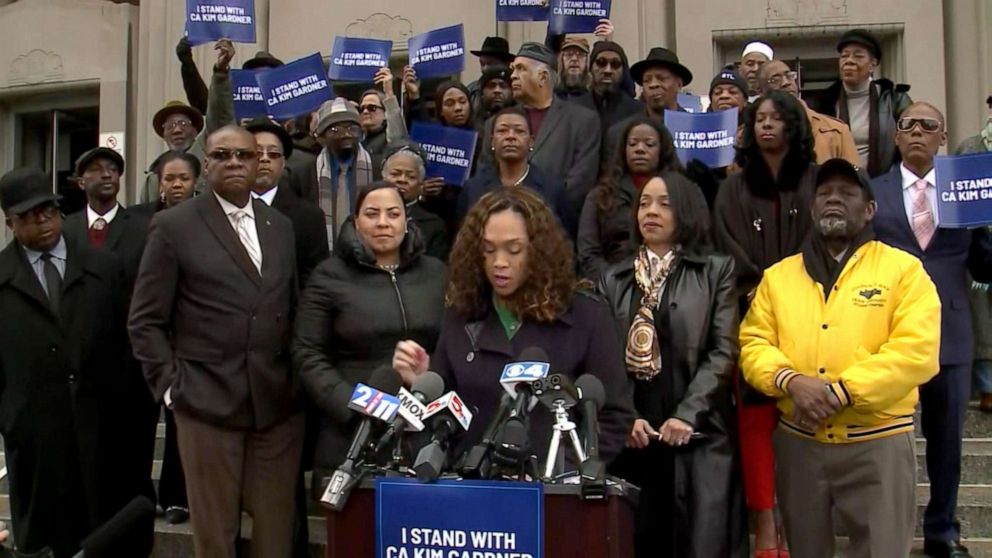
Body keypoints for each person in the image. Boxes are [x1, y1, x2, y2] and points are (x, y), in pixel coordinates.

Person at [740, 158, 942, 558]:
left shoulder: (904, 271)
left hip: (877, 443)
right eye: (825, 193)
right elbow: (753, 344)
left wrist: (840, 392)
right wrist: (791, 382)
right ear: (813, 207)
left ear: (869, 210)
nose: (834, 199)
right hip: (799, 445)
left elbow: (915, 352)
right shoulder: (779, 276)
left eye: (847, 193)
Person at [129, 126, 303, 558]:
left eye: (244, 155)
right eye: (222, 155)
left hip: (275, 406)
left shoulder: (279, 226)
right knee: (215, 537)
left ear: (259, 163)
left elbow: (291, 306)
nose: (235, 163)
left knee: (277, 536)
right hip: (205, 403)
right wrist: (171, 388)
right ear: (205, 164)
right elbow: (145, 320)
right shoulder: (173, 226)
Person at [391, 187, 636, 471]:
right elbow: (445, 416)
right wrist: (422, 380)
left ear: (539, 249)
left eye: (514, 249)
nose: (500, 263)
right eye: (488, 250)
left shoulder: (586, 315)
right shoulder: (462, 313)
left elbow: (613, 417)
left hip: (553, 494)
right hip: (473, 487)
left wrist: (561, 472)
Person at [599, 172, 746, 558]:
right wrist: (624, 415)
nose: (651, 211)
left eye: (664, 203)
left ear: (685, 211)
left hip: (698, 435)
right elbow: (602, 356)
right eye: (645, 203)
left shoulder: (716, 271)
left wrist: (688, 414)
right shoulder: (613, 278)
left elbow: (723, 350)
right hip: (633, 438)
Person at [870, 102, 992, 558]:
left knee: (946, 441)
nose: (917, 131)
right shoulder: (872, 190)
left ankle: (943, 528)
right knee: (883, 437)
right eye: (907, 125)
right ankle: (884, 529)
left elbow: (983, 263)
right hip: (887, 331)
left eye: (928, 125)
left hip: (951, 330)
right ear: (897, 138)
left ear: (944, 138)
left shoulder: (966, 191)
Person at [0, 168, 129, 557]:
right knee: (44, 539)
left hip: (99, 431)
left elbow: (125, 346)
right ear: (10, 223)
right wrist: (11, 417)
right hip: (35, 439)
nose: (43, 221)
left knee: (104, 534)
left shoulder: (103, 268)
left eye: (48, 211)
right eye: (30, 215)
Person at [713, 89, 817, 558]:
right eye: (759, 118)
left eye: (777, 118)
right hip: (750, 312)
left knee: (799, 424)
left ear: (793, 126)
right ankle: (765, 530)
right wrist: (762, 287)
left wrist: (791, 290)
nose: (767, 125)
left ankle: (795, 524)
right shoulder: (733, 186)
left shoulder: (815, 182)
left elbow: (818, 243)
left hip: (809, 317)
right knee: (755, 425)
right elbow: (727, 244)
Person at [293, 181, 446, 487]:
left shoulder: (437, 273)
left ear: (406, 221)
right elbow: (306, 351)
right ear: (356, 222)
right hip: (351, 426)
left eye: (393, 214)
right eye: (372, 214)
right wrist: (349, 403)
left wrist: (431, 374)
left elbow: (455, 343)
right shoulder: (329, 275)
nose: (383, 223)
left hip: (421, 421)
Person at [62, 147, 157, 552]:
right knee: (84, 469)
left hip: (131, 371)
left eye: (114, 169)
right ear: (80, 181)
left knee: (131, 467)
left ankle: (135, 544)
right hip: (77, 375)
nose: (106, 175)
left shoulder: (144, 226)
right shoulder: (64, 230)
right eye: (96, 170)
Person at [480, 42, 601, 237]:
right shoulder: (496, 123)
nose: (512, 76)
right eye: (512, 69)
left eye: (520, 69)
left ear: (543, 77)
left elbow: (579, 183)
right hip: (502, 228)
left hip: (555, 230)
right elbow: (486, 174)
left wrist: (536, 214)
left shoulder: (583, 121)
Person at [578, 116, 682, 280]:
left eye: (649, 144)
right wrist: (617, 284)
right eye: (632, 144)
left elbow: (696, 245)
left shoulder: (682, 194)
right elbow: (589, 254)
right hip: (612, 286)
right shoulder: (600, 195)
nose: (640, 149)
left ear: (663, 150)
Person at [143, 39, 236, 203]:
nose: (177, 130)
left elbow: (219, 115)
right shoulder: (153, 178)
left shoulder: (206, 149)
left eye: (183, 124)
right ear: (163, 134)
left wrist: (221, 73)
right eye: (170, 126)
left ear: (196, 130)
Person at [811, 29, 912, 177]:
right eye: (844, 56)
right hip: (837, 184)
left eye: (858, 56)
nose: (849, 60)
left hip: (884, 183)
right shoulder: (824, 102)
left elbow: (909, 141)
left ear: (872, 64)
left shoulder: (894, 99)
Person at [246, 117, 329, 285]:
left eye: (273, 154)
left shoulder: (309, 218)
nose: (264, 159)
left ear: (283, 163)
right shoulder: (220, 210)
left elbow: (315, 283)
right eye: (256, 152)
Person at [291, 98, 381, 252]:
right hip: (321, 258)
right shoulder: (304, 173)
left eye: (352, 128)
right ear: (322, 137)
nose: (346, 134)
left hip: (370, 257)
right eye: (335, 130)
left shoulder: (378, 167)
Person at [459, 106, 564, 225]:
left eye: (519, 131)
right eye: (502, 131)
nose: (510, 136)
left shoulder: (552, 189)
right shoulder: (472, 189)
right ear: (492, 141)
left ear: (531, 141)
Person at [759, 59, 859, 165]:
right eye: (775, 80)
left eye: (789, 76)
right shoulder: (752, 132)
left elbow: (854, 178)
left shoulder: (836, 131)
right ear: (760, 92)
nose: (786, 83)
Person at [604, 47, 693, 165]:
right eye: (647, 80)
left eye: (661, 79)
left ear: (679, 84)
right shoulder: (620, 133)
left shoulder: (695, 129)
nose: (653, 84)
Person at [381, 143, 451, 261]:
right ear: (383, 177)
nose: (402, 180)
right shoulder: (366, 216)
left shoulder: (434, 226)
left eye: (411, 176)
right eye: (395, 174)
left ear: (421, 184)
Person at [572, 41, 642, 133]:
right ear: (591, 68)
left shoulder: (638, 111)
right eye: (601, 63)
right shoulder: (573, 108)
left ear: (623, 70)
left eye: (615, 64)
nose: (608, 70)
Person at [359, 66, 409, 161]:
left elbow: (396, 137)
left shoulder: (389, 137)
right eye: (361, 109)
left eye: (372, 108)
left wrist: (389, 93)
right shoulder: (358, 140)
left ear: (385, 113)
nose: (365, 112)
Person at [132, 151, 200, 219]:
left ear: (195, 182)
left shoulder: (208, 212)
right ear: (161, 183)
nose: (177, 184)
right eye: (169, 179)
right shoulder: (140, 216)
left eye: (184, 178)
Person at [467, 36, 517, 103]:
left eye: (491, 64)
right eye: (482, 64)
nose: (485, 68)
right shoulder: (472, 90)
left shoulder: (518, 89)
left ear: (506, 64)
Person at [475, 65, 514, 130]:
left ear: (512, 93)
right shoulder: (472, 124)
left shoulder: (523, 121)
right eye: (491, 86)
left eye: (503, 86)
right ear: (482, 94)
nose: (497, 90)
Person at [555, 36, 590, 101]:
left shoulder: (594, 100)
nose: (574, 59)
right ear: (561, 60)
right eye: (569, 54)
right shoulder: (550, 98)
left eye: (580, 54)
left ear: (587, 62)